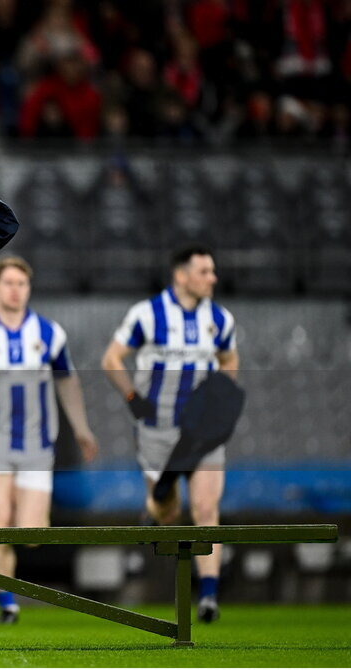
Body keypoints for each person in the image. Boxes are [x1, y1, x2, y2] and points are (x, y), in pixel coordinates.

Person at [0, 256, 98, 624]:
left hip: (37, 447)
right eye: (8, 283)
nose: (15, 290)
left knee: (30, 533)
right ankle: (7, 602)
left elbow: (67, 382)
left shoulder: (49, 334)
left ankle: (9, 585)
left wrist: (81, 428)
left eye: (21, 284)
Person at [100, 245, 238, 624]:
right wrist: (132, 396)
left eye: (213, 271)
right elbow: (112, 358)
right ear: (182, 275)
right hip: (157, 431)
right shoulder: (147, 314)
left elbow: (229, 360)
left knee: (207, 510)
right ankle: (155, 506)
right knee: (169, 512)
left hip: (202, 434)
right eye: (205, 271)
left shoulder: (220, 319)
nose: (213, 278)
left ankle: (208, 595)